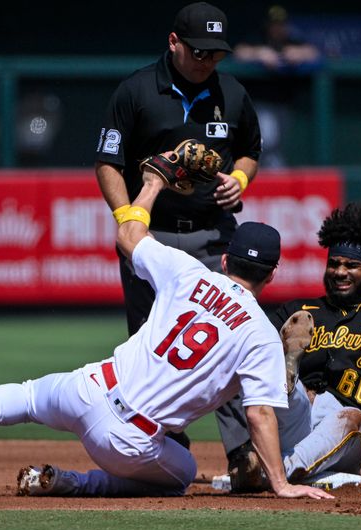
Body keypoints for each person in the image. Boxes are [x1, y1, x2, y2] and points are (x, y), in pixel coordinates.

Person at [0, 167, 332, 500]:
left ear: (225, 261)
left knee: (28, 395)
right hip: (128, 439)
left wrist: (153, 183)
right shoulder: (259, 333)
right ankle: (70, 483)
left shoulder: (187, 271)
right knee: (180, 476)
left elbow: (128, 235)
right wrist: (280, 484)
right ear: (273, 273)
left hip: (90, 386)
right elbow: (259, 415)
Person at [215, 202, 361, 490]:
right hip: (293, 421)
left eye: (352, 265)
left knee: (350, 416)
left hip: (344, 437)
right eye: (334, 263)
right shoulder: (296, 312)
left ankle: (270, 473)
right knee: (284, 382)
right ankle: (288, 382)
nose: (340, 271)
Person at [94, 2, 262, 337]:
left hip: (214, 235)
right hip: (154, 232)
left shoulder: (232, 93)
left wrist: (239, 179)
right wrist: (129, 219)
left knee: (222, 341)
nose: (208, 62)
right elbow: (108, 163)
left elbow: (250, 152)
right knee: (148, 341)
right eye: (200, 52)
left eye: (216, 54)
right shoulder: (136, 90)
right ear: (174, 42)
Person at [233, 5, 321, 168]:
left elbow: (314, 53)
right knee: (267, 141)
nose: (277, 28)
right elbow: (239, 52)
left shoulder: (292, 40)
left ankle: (273, 175)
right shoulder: (258, 39)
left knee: (278, 143)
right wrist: (260, 53)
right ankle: (270, 174)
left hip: (284, 103)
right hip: (260, 103)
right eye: (274, 24)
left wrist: (299, 53)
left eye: (281, 24)